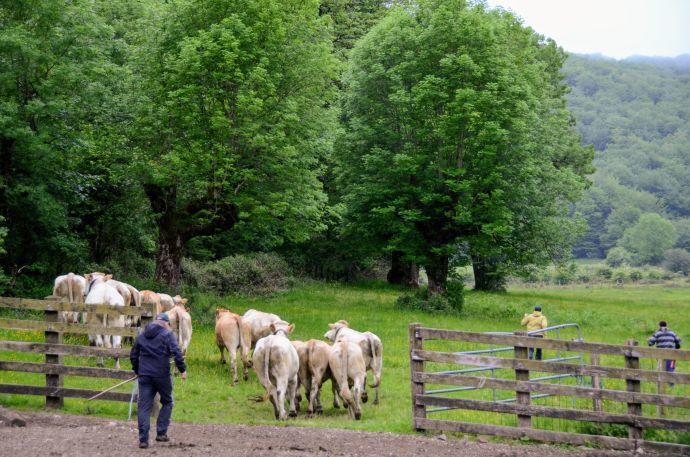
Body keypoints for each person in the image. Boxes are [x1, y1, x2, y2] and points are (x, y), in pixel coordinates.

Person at [130, 313, 187, 449]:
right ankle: (161, 433)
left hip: (145, 376)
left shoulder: (142, 335)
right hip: (162, 376)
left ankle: (143, 440)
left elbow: (133, 355)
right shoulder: (167, 335)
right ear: (166, 323)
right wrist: (182, 370)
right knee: (167, 401)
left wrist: (138, 370)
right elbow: (177, 353)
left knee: (144, 407)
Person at [648, 320, 681, 387]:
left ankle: (659, 384)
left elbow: (650, 343)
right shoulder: (672, 333)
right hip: (672, 354)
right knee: (671, 368)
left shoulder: (657, 333)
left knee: (661, 368)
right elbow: (678, 341)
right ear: (666, 325)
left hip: (661, 355)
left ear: (659, 325)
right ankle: (671, 386)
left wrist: (649, 341)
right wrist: (677, 347)